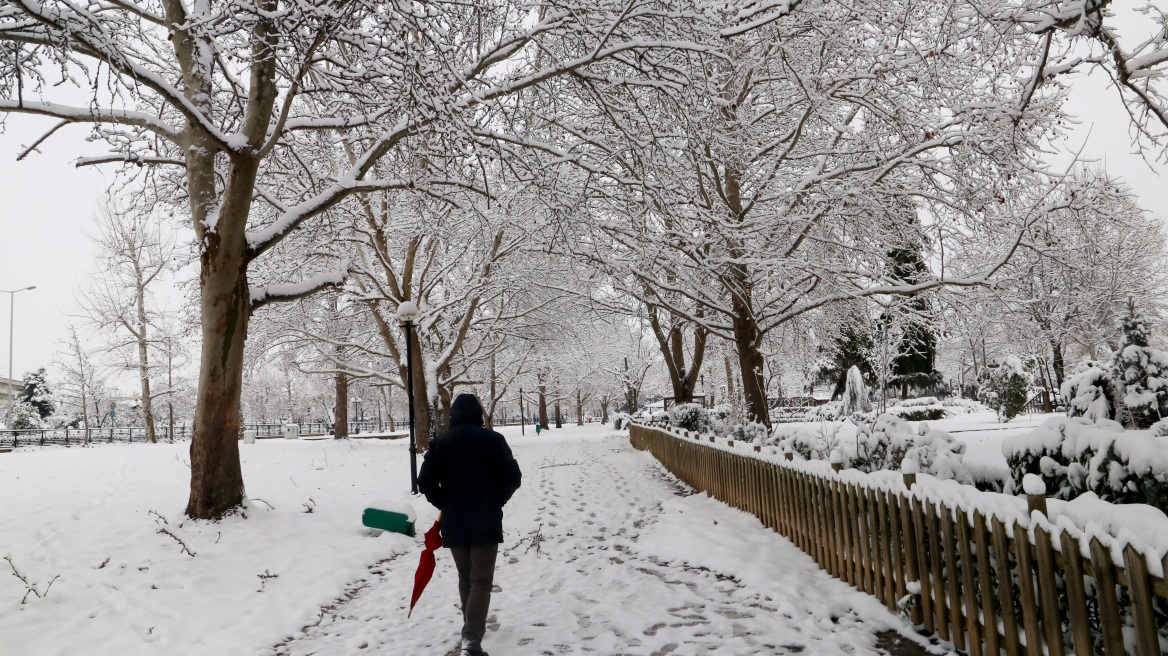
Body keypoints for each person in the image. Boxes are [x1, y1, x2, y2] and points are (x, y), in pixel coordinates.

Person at [418, 394, 522, 656]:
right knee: (481, 581)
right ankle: (472, 641)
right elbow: (513, 476)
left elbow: (425, 482)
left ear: (452, 416)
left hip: (455, 520)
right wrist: (496, 499)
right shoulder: (493, 440)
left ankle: (470, 632)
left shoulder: (441, 443)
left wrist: (445, 503)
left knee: (466, 577)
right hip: (485, 519)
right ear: (478, 414)